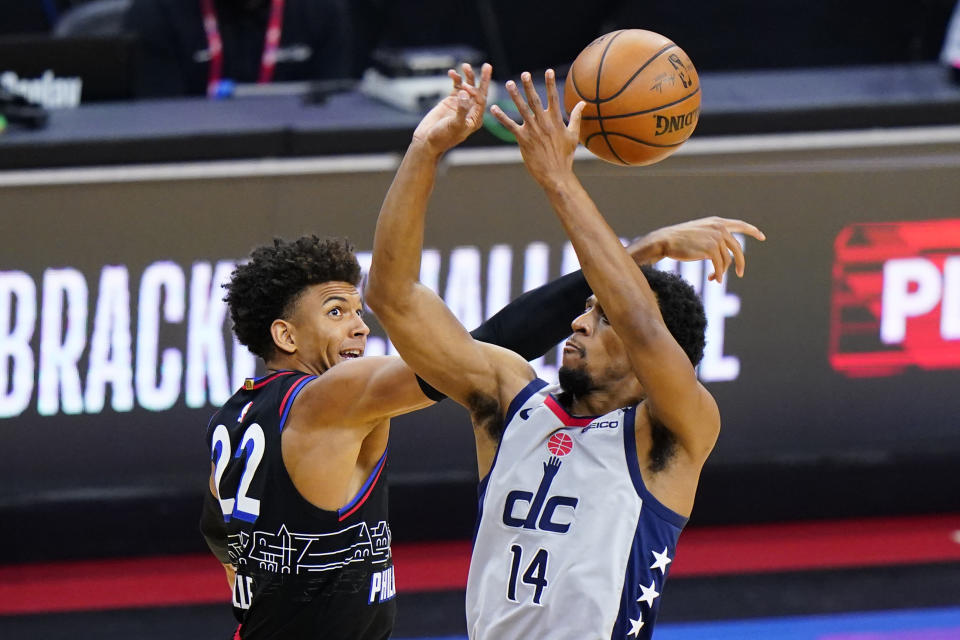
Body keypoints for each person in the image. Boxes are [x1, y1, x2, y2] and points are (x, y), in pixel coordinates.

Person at [199, 210, 749, 635]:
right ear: (286, 336)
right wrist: (637, 256)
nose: (360, 330)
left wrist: (266, 583)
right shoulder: (332, 396)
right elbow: (485, 346)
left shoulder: (232, 417)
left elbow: (219, 534)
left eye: (356, 312)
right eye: (336, 312)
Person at [366, 63, 764, 639]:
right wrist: (425, 151)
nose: (578, 320)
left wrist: (558, 178)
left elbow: (643, 324)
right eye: (587, 309)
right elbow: (392, 297)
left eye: (599, 318)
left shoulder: (675, 431)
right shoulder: (508, 397)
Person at [123, 0, 355, 97]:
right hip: (190, 171)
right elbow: (158, 125)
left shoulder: (323, 10)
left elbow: (335, 110)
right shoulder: (157, 12)